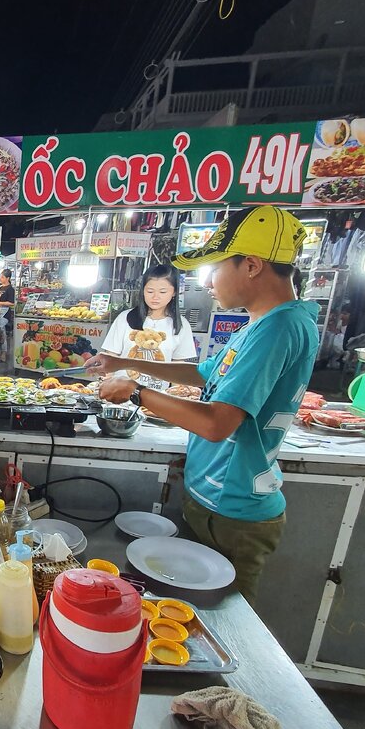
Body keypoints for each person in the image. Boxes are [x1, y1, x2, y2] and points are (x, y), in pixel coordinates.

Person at [88, 207, 319, 604]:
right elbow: (204, 373)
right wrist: (126, 362)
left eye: (214, 268)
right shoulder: (262, 323)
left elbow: (217, 424)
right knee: (185, 616)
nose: (208, 282)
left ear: (251, 265)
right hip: (212, 499)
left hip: (234, 511)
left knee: (221, 625)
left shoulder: (279, 328)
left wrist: (135, 392)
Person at [98, 263, 197, 386]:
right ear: (143, 290)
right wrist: (104, 386)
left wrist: (176, 395)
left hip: (158, 398)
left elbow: (179, 370)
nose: (155, 297)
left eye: (162, 292)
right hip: (121, 395)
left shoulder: (181, 325)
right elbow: (110, 358)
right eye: (150, 291)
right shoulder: (125, 318)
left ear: (174, 292)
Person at [0, 268, 15, 362]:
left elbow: (12, 303)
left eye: (2, 277)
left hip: (5, 314)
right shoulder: (0, 287)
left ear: (8, 278)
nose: (0, 278)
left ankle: (3, 353)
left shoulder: (10, 289)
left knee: (1, 330)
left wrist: (0, 303)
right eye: (0, 276)